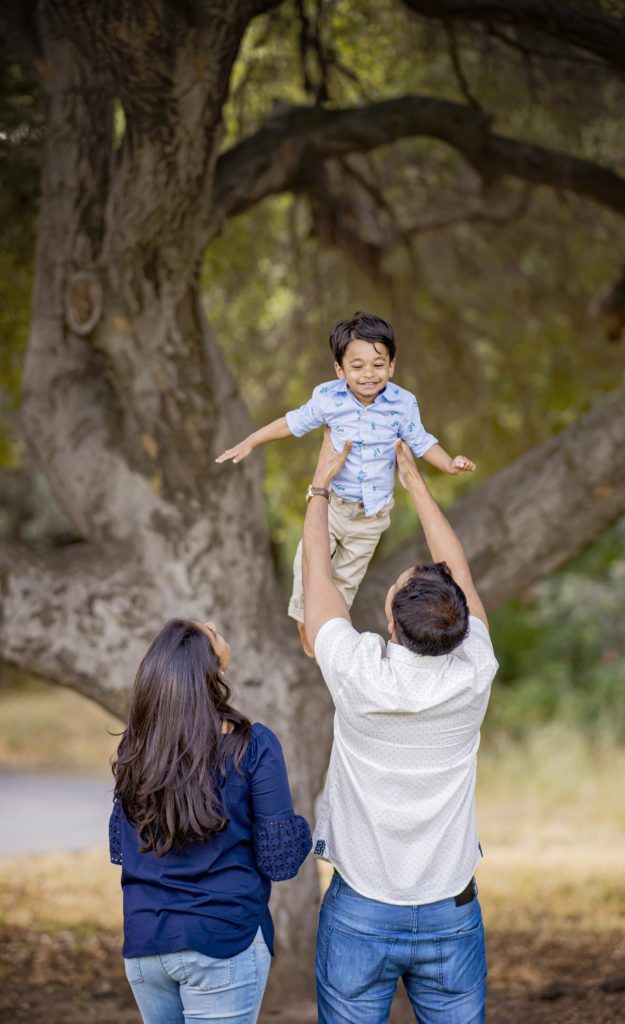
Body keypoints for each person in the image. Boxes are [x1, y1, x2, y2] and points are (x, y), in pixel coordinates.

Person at [302, 432, 498, 1024]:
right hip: (450, 911)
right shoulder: (476, 671)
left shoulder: (358, 671)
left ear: (390, 621)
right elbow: (458, 571)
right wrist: (414, 481)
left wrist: (318, 488)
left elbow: (318, 579)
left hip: (361, 910)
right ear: (460, 622)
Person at [215, 312, 475, 656]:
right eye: (357, 366)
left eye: (378, 364)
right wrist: (251, 440)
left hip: (371, 517)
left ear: (392, 365)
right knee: (307, 569)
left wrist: (449, 463)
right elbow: (291, 423)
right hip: (333, 506)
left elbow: (422, 441)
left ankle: (325, 631)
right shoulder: (328, 399)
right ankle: (304, 618)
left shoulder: (402, 403)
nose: (369, 373)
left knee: (346, 581)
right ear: (340, 370)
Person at [109, 618, 311, 1024]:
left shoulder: (137, 747)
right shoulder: (251, 745)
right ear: (211, 667)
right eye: (211, 631)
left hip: (147, 945)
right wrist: (302, 831)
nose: (217, 625)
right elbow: (281, 861)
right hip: (222, 942)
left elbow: (120, 848)